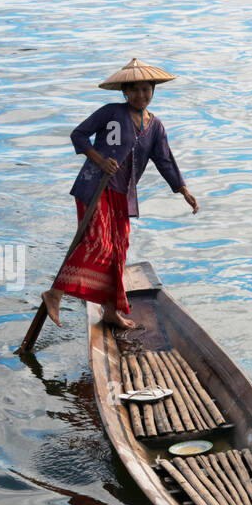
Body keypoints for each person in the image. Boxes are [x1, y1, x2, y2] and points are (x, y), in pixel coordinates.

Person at [43, 58, 199, 329]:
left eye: (146, 90)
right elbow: (78, 135)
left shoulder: (156, 126)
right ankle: (55, 293)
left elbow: (164, 160)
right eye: (135, 90)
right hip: (96, 187)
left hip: (123, 193)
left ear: (153, 91)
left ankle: (112, 310)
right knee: (98, 243)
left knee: (119, 251)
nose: (141, 96)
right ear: (125, 92)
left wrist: (182, 189)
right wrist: (98, 159)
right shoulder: (111, 112)